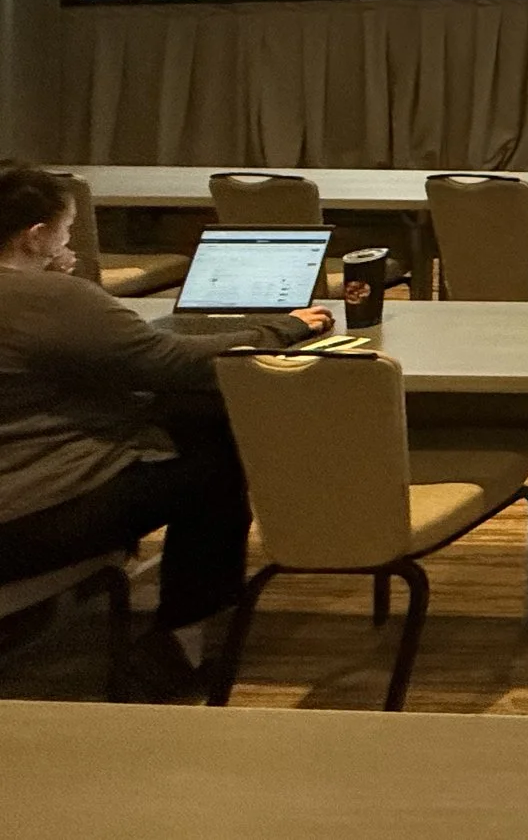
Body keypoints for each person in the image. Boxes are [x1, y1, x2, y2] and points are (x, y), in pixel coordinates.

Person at [0, 164, 330, 695]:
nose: (68, 241)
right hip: (23, 522)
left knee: (183, 422)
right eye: (64, 231)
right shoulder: (45, 300)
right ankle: (181, 641)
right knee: (214, 459)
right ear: (35, 236)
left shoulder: (41, 296)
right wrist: (285, 326)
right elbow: (174, 363)